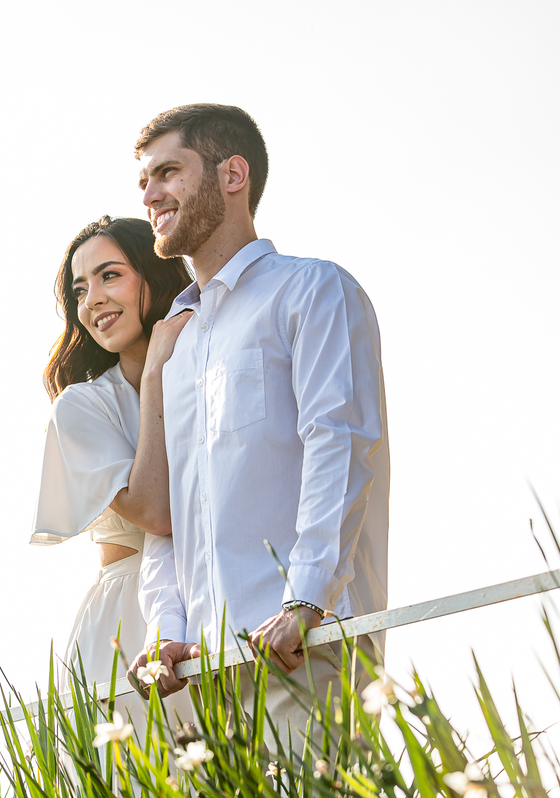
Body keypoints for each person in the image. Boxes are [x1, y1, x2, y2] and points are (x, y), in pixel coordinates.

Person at [127, 104, 390, 745]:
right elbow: (170, 516)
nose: (151, 194)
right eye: (144, 182)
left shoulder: (312, 290)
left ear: (233, 174)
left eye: (168, 172)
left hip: (311, 649)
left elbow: (340, 444)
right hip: (205, 677)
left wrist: (305, 601)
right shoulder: (178, 343)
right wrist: (166, 629)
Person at [31, 215, 192, 697]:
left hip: (217, 602)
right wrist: (156, 374)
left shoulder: (211, 372)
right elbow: (153, 512)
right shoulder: (81, 406)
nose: (92, 299)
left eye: (109, 275)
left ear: (154, 274)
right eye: (79, 290)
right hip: (126, 626)